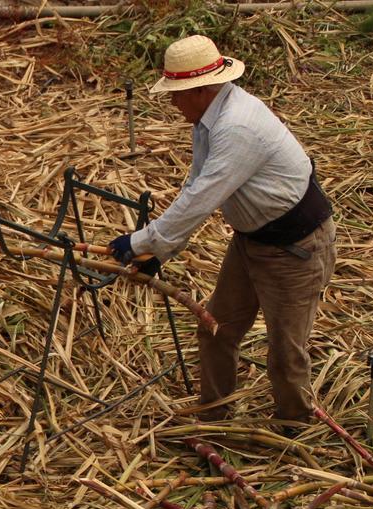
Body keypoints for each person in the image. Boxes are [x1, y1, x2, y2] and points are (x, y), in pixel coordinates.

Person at [108, 35, 336, 427]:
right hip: (252, 241)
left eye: (177, 94)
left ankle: (294, 428)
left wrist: (140, 241)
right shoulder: (207, 120)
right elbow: (195, 187)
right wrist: (159, 251)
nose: (173, 102)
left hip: (294, 248)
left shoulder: (238, 127)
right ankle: (215, 415)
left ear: (201, 89)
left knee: (285, 350)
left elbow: (202, 199)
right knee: (216, 328)